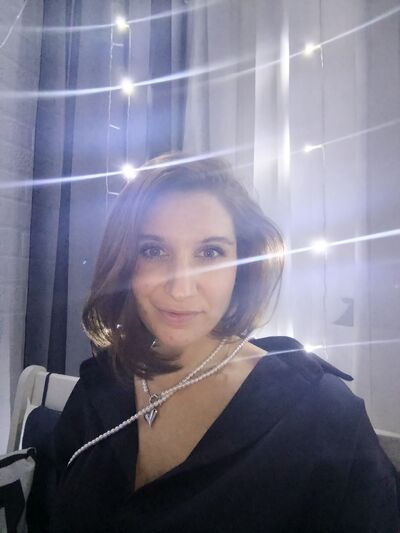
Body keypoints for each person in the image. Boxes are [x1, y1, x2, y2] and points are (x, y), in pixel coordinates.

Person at [49, 153, 399, 532]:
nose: (180, 288)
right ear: (126, 262)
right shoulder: (102, 384)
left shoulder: (323, 416)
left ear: (242, 266)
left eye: (210, 252)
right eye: (153, 250)